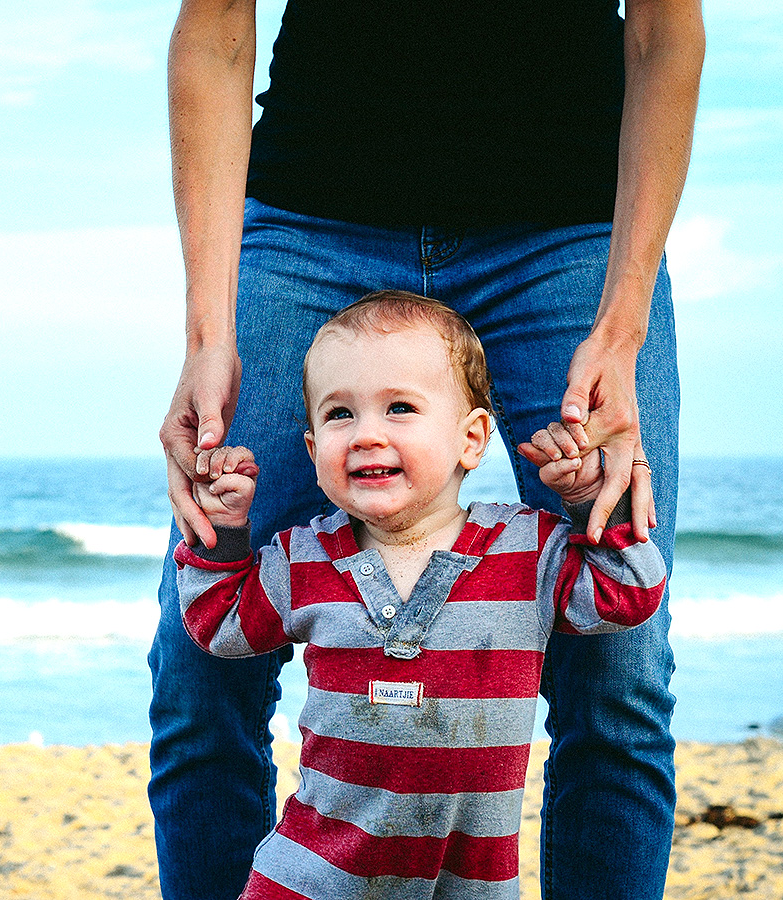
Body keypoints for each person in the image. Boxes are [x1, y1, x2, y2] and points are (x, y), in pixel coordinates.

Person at [150, 2, 704, 898]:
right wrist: (209, 335)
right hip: (307, 225)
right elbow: (215, 28)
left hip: (568, 235)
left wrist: (622, 324)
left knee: (621, 677)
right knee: (197, 669)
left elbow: (663, 32)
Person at [173, 292, 667, 899]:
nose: (365, 435)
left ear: (472, 439)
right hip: (310, 879)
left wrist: (593, 501)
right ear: (311, 451)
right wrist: (224, 536)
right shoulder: (303, 558)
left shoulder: (528, 552)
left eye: (400, 408)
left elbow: (628, 593)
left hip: (468, 884)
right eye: (338, 415)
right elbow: (218, 625)